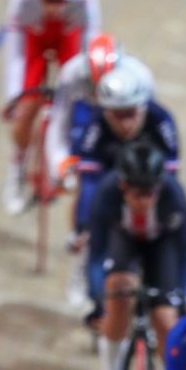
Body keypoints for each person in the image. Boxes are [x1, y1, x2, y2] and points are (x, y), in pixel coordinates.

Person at [43, 33, 155, 306]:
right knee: (86, 181)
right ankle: (81, 253)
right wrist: (60, 164)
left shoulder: (140, 76)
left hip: (125, 118)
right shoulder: (72, 75)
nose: (96, 89)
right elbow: (59, 123)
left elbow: (153, 122)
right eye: (92, 83)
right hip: (93, 122)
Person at [1, 0, 101, 214]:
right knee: (26, 108)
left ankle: (59, 159)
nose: (55, 6)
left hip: (68, 41)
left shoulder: (86, 1)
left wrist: (81, 93)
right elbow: (16, 53)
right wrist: (15, 96)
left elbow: (88, 54)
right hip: (34, 42)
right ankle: (16, 171)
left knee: (68, 104)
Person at [87, 141, 186, 367]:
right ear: (123, 186)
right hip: (125, 240)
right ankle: (111, 364)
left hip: (162, 245)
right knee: (118, 291)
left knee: (166, 319)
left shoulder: (173, 195)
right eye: (137, 193)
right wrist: (97, 300)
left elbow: (185, 255)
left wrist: (184, 303)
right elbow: (96, 254)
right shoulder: (107, 192)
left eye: (150, 192)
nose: (144, 201)